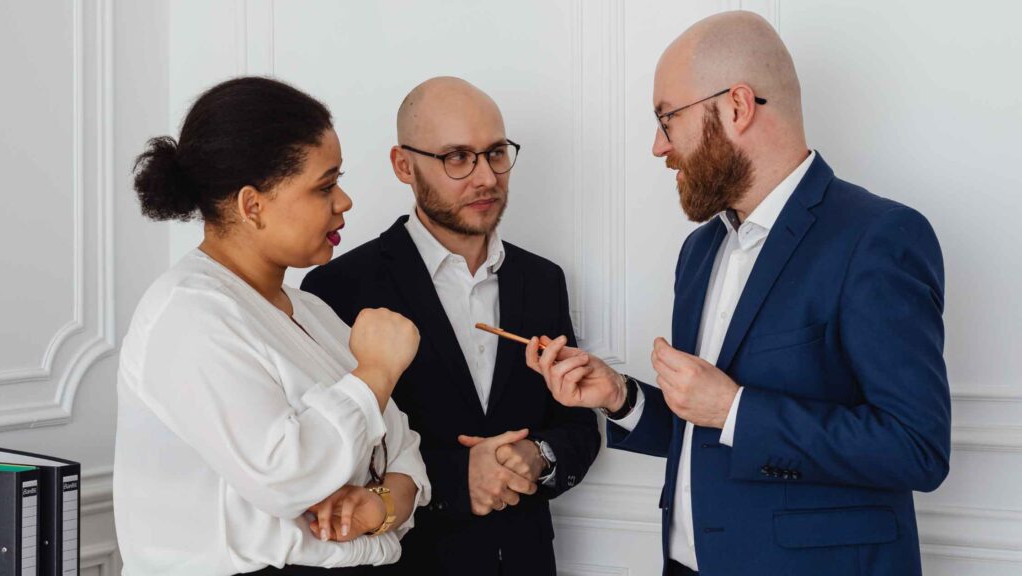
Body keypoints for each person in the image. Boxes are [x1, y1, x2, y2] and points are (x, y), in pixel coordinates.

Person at [526, 11, 951, 576]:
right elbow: (705, 433)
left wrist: (735, 408)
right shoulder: (699, 252)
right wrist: (621, 398)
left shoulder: (879, 238)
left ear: (737, 106)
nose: (658, 145)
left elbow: (916, 447)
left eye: (666, 117)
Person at [114, 77, 430, 576]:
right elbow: (287, 476)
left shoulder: (311, 311)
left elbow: (404, 450)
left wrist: (380, 506)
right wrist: (376, 373)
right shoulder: (188, 315)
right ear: (251, 205)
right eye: (325, 186)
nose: (344, 201)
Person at [301, 77, 601, 575]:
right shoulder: (338, 288)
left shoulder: (544, 280)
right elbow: (334, 456)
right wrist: (457, 479)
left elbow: (576, 425)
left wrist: (540, 455)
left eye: (496, 153)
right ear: (403, 165)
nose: (485, 177)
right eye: (457, 157)